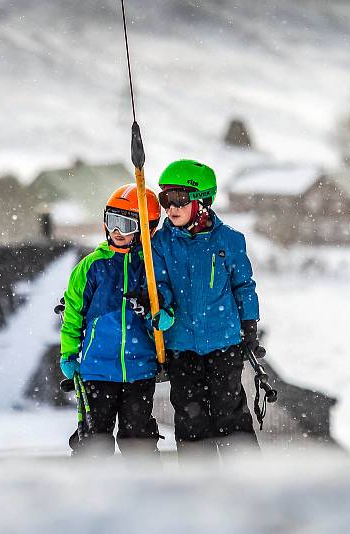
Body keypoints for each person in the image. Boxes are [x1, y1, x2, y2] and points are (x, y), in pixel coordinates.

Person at [147, 159, 262, 462]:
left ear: (202, 202)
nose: (170, 208)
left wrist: (249, 326)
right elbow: (158, 282)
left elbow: (243, 286)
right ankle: (199, 482)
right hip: (181, 346)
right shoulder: (159, 243)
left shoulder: (229, 241)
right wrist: (165, 305)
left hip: (223, 343)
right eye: (165, 200)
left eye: (179, 200)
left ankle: (249, 478)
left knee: (230, 413)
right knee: (190, 417)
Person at [59, 183, 163, 460]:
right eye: (112, 222)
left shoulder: (152, 267)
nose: (116, 232)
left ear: (146, 228)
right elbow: (73, 314)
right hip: (97, 369)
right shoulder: (92, 266)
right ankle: (87, 493)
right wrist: (69, 352)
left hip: (139, 369)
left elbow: (167, 308)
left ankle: (148, 490)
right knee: (94, 440)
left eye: (126, 224)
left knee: (137, 438)